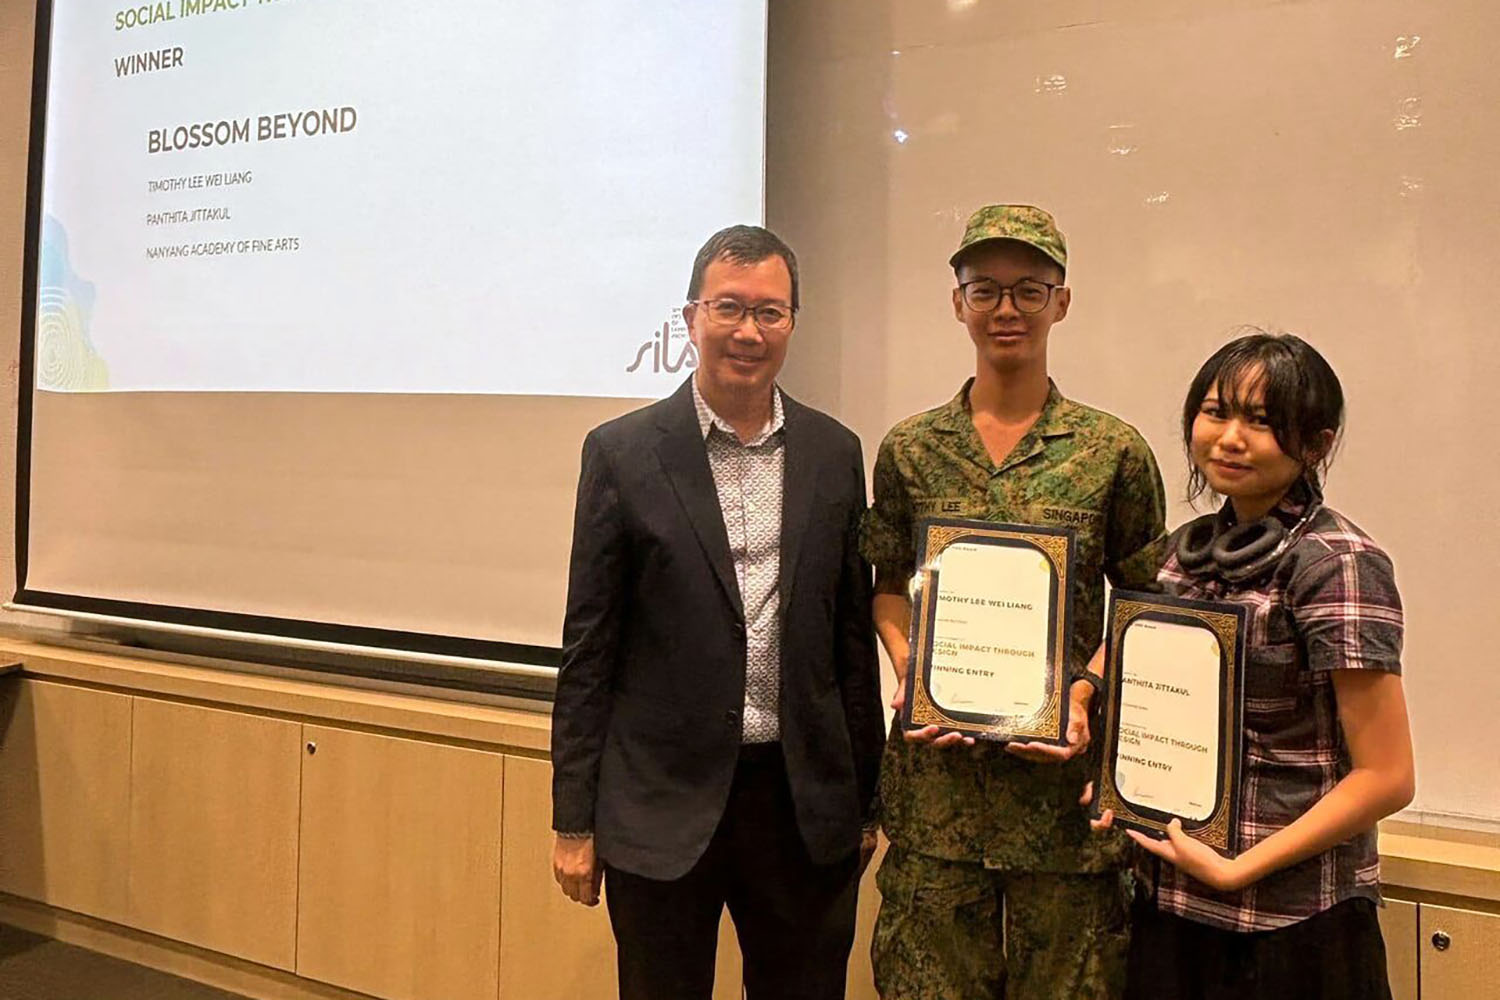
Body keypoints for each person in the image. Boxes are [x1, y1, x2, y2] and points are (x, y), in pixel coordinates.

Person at [550, 224, 884, 1000]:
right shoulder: (622, 452)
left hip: (800, 808)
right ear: (690, 317)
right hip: (660, 806)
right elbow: (589, 645)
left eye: (770, 312)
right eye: (728, 307)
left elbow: (848, 638)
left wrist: (868, 797)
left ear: (794, 323)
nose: (747, 330)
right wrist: (573, 820)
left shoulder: (836, 453)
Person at [861, 204, 1168, 999]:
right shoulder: (910, 449)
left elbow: (1146, 606)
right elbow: (888, 588)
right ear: (957, 301)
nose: (1006, 310)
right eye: (986, 289)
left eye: (1029, 290)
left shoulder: (1113, 452)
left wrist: (1087, 686)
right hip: (937, 804)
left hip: (1065, 809)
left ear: (1061, 302)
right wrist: (910, 669)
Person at [1094, 331, 1415, 1000]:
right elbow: (1133, 663)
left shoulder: (1338, 562)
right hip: (1171, 905)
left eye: (1263, 421)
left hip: (1293, 925)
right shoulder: (1183, 553)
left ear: (1318, 443)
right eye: (1216, 412)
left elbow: (1388, 776)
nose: (1230, 437)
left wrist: (1240, 869)